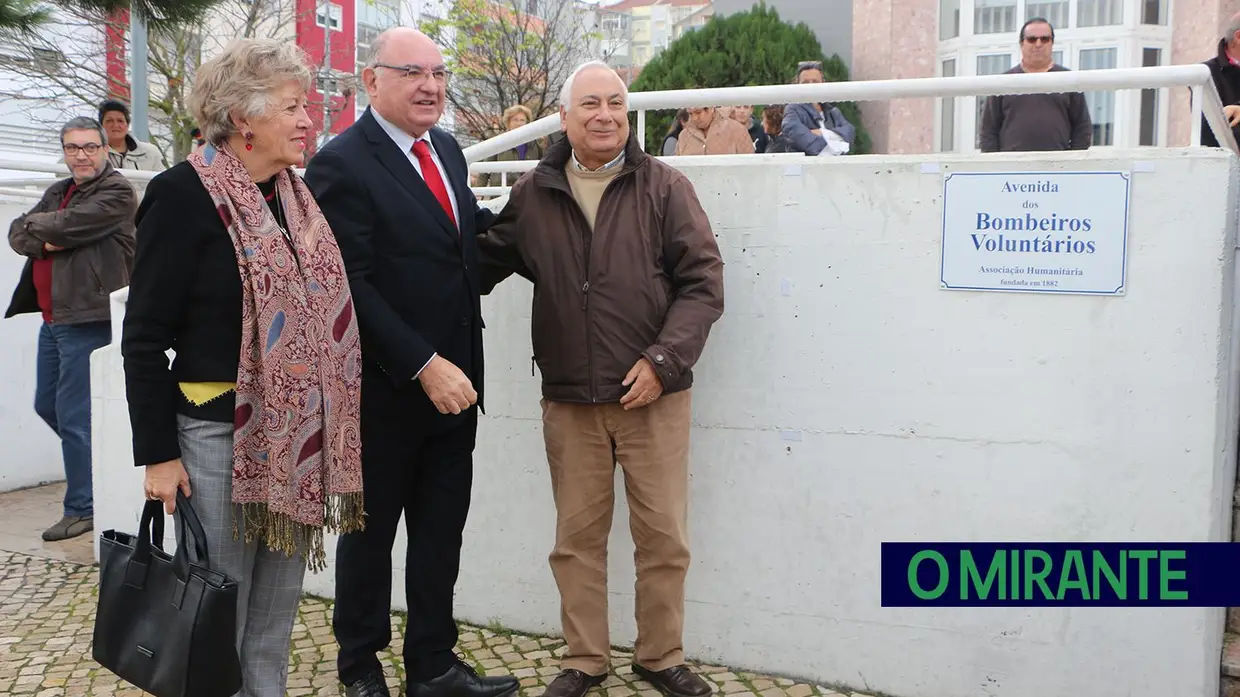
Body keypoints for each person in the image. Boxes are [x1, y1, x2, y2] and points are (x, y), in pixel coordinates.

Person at [120, 38, 365, 697]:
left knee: (271, 621)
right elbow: (142, 338)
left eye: (306, 104)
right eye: (293, 106)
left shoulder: (295, 198)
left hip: (293, 443)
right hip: (214, 441)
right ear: (243, 118)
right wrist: (157, 456)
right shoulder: (181, 196)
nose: (308, 118)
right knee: (216, 615)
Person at [477, 61, 725, 697]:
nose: (605, 115)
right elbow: (480, 261)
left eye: (615, 102)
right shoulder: (535, 192)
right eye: (590, 104)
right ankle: (585, 659)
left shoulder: (665, 187)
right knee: (576, 541)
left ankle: (659, 654)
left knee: (664, 537)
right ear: (564, 117)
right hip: (569, 400)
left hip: (654, 397)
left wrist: (663, 363)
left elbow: (703, 283)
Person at [302, 27, 516, 697]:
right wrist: (423, 362)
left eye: (440, 73)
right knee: (368, 540)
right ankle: (359, 666)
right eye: (414, 72)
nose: (432, 86)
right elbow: (348, 285)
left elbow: (467, 249)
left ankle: (434, 665)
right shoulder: (341, 163)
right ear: (372, 82)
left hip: (457, 391)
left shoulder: (447, 149)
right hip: (385, 393)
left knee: (439, 536)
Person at [5, 116, 136, 542]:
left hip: (87, 317)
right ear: (64, 151)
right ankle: (104, 469)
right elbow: (15, 232)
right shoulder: (59, 192)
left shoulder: (117, 191)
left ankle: (83, 507)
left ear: (104, 149)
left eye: (89, 147)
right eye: (72, 148)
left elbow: (65, 226)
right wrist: (43, 237)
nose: (81, 155)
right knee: (50, 407)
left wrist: (42, 229)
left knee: (76, 417)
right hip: (52, 319)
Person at [978, 18, 1091, 152]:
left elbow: (1082, 128)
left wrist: (1071, 163)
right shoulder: (1003, 83)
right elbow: (988, 131)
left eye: (1044, 39)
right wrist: (995, 166)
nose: (1038, 44)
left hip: (1057, 167)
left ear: (1052, 43)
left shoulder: (1068, 80)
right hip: (1012, 167)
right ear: (1021, 44)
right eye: (1031, 39)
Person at [781, 61, 857, 156]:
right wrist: (836, 143)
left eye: (815, 82)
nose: (810, 86)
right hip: (808, 167)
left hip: (836, 167)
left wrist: (822, 132)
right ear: (797, 84)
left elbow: (850, 132)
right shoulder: (792, 110)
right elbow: (797, 135)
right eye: (805, 82)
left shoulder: (832, 112)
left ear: (823, 83)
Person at [479, 104, 545, 188]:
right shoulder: (499, 142)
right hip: (502, 192)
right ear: (508, 123)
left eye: (522, 120)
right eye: (515, 120)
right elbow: (484, 170)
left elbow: (544, 165)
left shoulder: (535, 143)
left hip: (528, 191)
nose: (519, 123)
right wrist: (478, 193)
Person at [98, 99, 163, 170]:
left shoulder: (151, 153)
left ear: (127, 125)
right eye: (109, 121)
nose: (115, 125)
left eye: (120, 121)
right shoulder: (94, 153)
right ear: (101, 125)